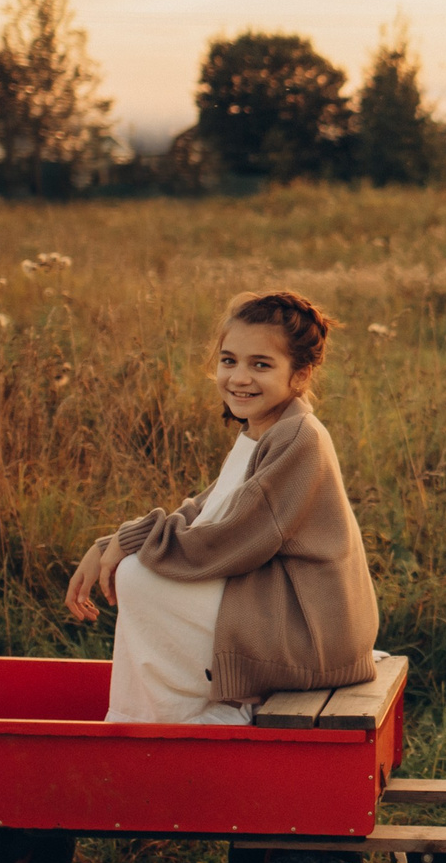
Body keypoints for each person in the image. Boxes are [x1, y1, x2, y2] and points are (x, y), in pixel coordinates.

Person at [66, 289, 379, 724]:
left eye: (261, 365)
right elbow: (204, 509)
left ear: (301, 374)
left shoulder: (297, 437)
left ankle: (197, 719)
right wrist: (111, 543)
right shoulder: (266, 427)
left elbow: (229, 539)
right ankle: (164, 718)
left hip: (312, 633)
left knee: (140, 577)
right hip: (283, 603)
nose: (239, 377)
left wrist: (129, 543)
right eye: (229, 361)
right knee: (137, 570)